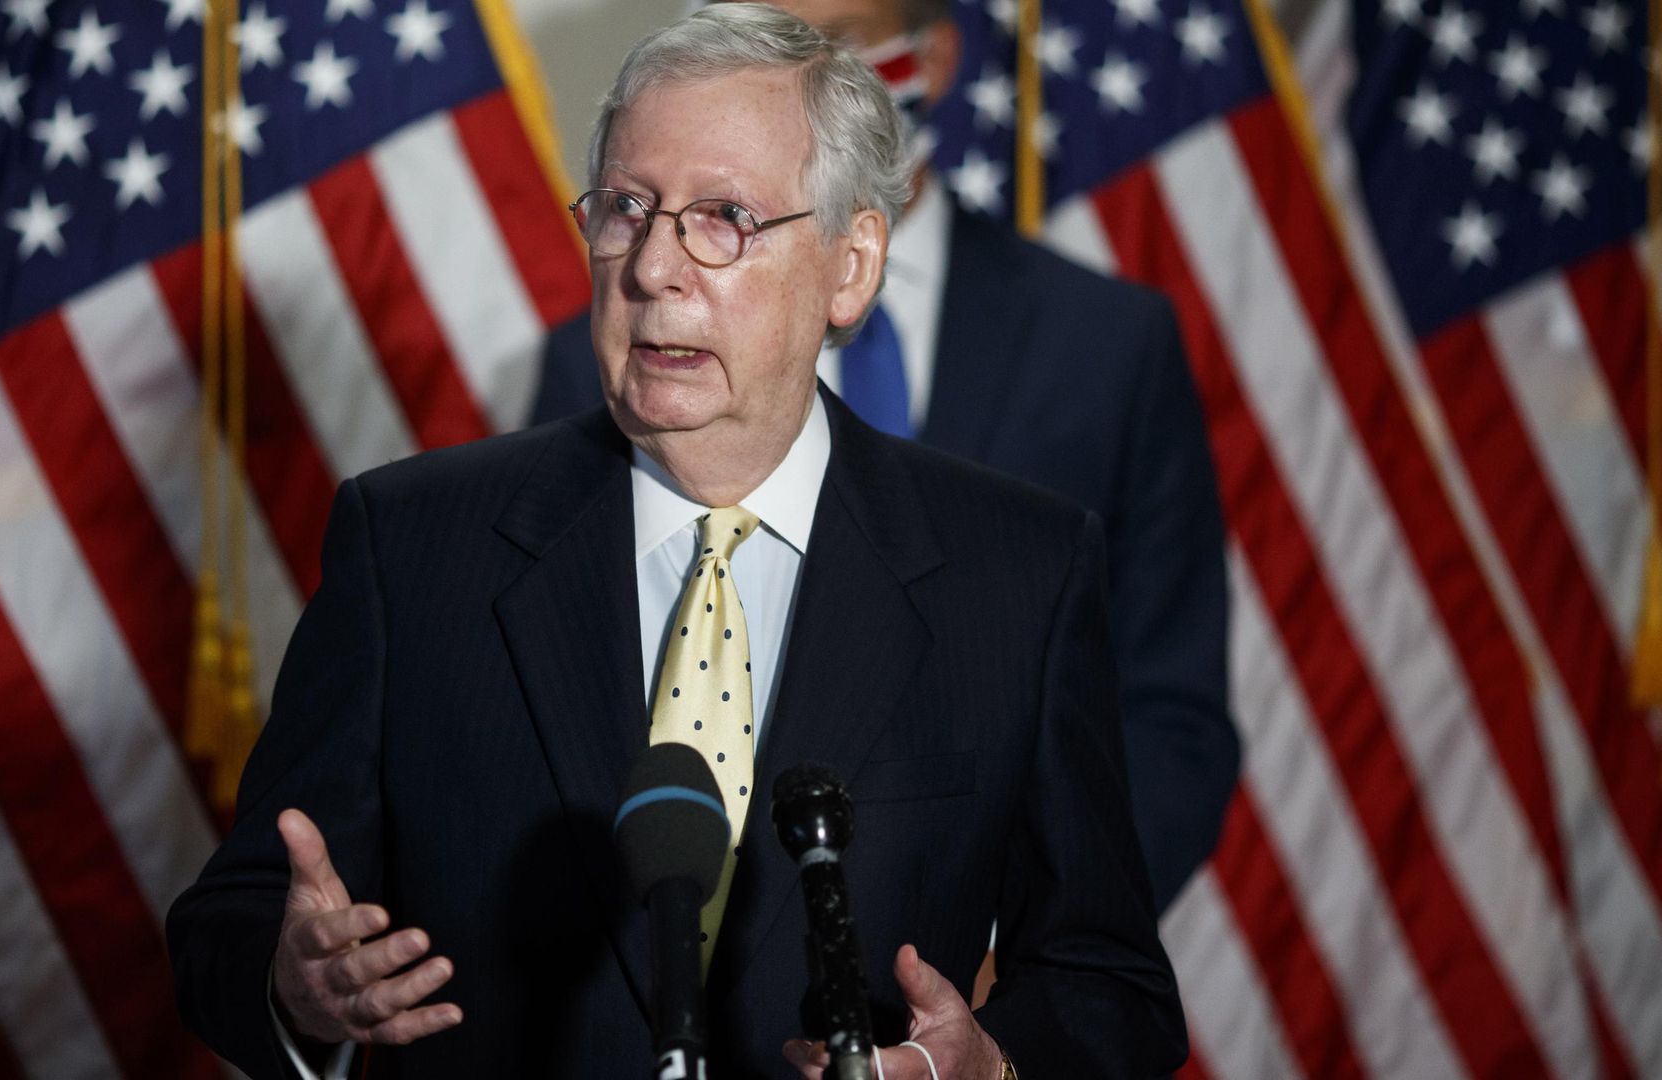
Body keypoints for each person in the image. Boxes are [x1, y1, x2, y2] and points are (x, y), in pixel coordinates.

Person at [168, 6, 1187, 1077]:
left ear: (850, 267)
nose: (654, 267)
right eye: (626, 210)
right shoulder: (412, 546)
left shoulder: (1016, 575)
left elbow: (1108, 987)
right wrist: (298, 986)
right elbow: (232, 922)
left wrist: (990, 1067)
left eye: (723, 218)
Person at [532, 0, 1238, 914]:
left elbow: (1166, 712)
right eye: (766, 40)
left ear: (933, 56)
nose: (799, 77)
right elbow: (549, 679)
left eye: (835, 42)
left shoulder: (1108, 344)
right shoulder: (611, 354)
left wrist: (1016, 959)